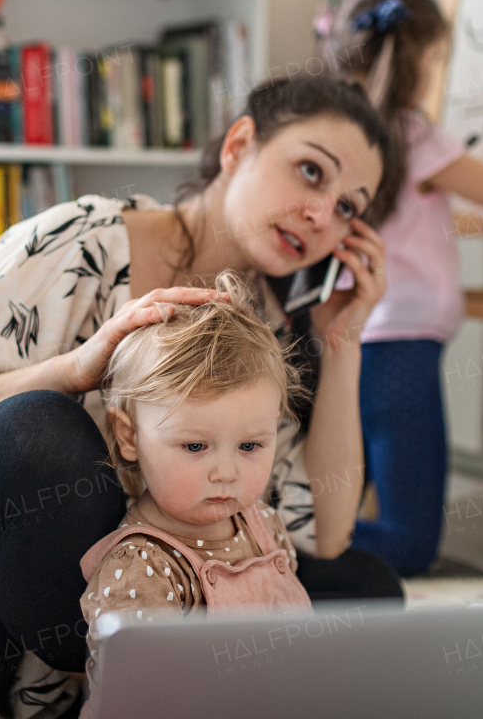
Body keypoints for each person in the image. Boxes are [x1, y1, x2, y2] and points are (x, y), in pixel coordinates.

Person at [0, 75, 404, 718]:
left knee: (365, 587)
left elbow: (318, 533)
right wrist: (73, 369)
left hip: (97, 623)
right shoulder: (84, 240)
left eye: (351, 207)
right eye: (310, 172)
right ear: (239, 146)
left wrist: (342, 340)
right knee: (47, 435)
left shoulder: (260, 330)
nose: (322, 216)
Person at [320, 0, 483, 577]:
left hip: (348, 342)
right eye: (437, 58)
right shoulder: (414, 135)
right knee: (409, 540)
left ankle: (282, 545)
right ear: (415, 59)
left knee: (336, 507)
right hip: (401, 352)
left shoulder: (339, 131)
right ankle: (269, 549)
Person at [76, 271, 312, 714]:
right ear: (129, 437)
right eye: (195, 447)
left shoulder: (262, 524)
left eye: (250, 446)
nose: (226, 473)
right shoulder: (139, 567)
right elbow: (141, 699)